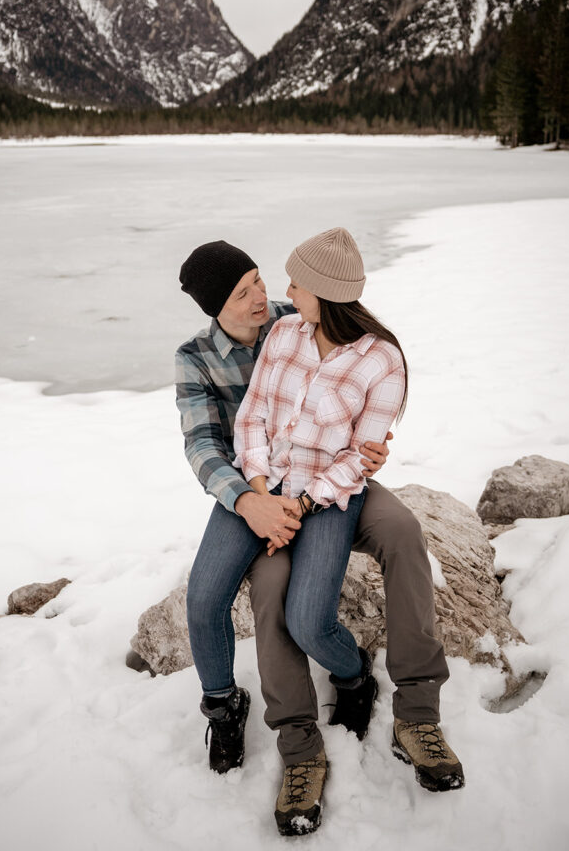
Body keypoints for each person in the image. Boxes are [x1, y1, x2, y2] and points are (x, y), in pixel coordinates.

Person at [175, 232, 463, 837]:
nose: (267, 295)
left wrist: (329, 483)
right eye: (246, 290)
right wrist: (255, 498)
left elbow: (359, 431)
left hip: (327, 488)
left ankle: (414, 709)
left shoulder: (300, 322)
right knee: (236, 593)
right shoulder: (212, 351)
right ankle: (265, 728)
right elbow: (208, 441)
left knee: (404, 532)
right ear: (216, 306)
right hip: (252, 485)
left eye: (266, 282)